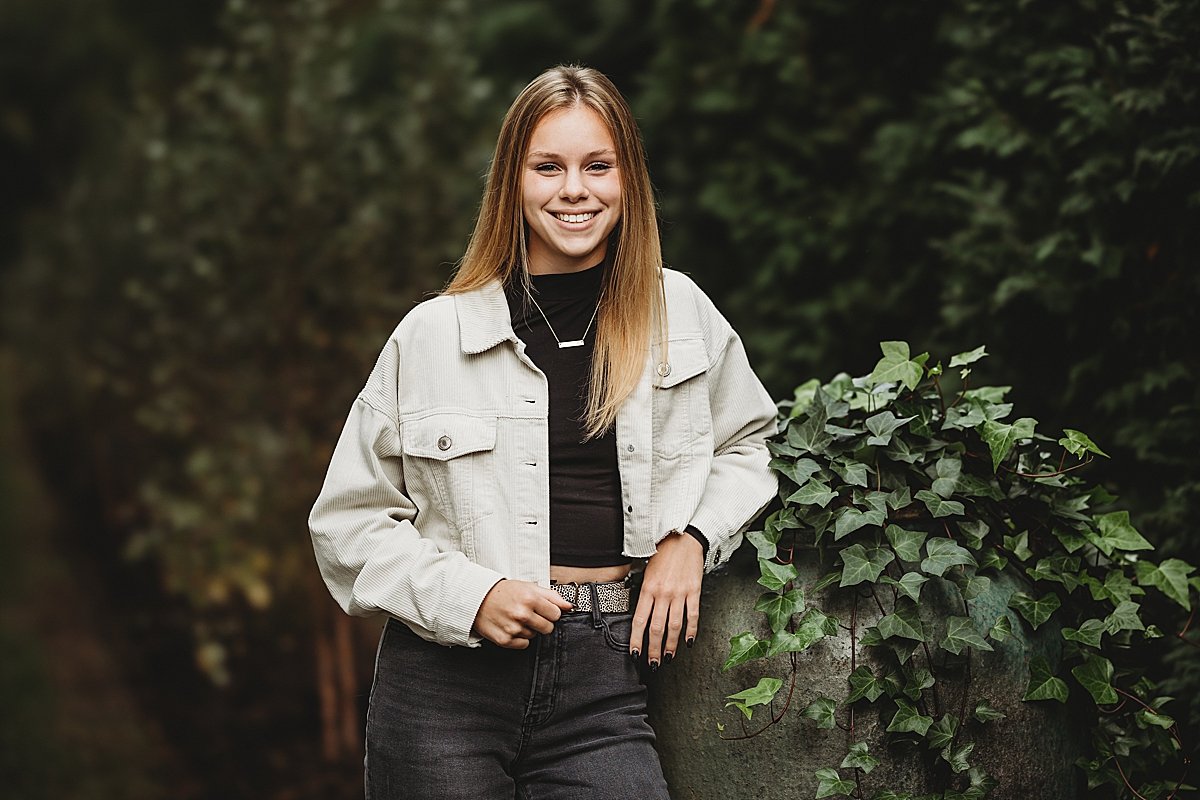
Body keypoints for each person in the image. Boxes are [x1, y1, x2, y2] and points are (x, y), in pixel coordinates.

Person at [309, 64, 778, 800]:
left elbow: (748, 447)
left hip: (606, 680)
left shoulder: (679, 311)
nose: (574, 190)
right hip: (443, 690)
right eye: (547, 167)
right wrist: (474, 594)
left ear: (628, 179)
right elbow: (349, 523)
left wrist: (690, 537)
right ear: (513, 181)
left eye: (598, 166)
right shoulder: (434, 335)